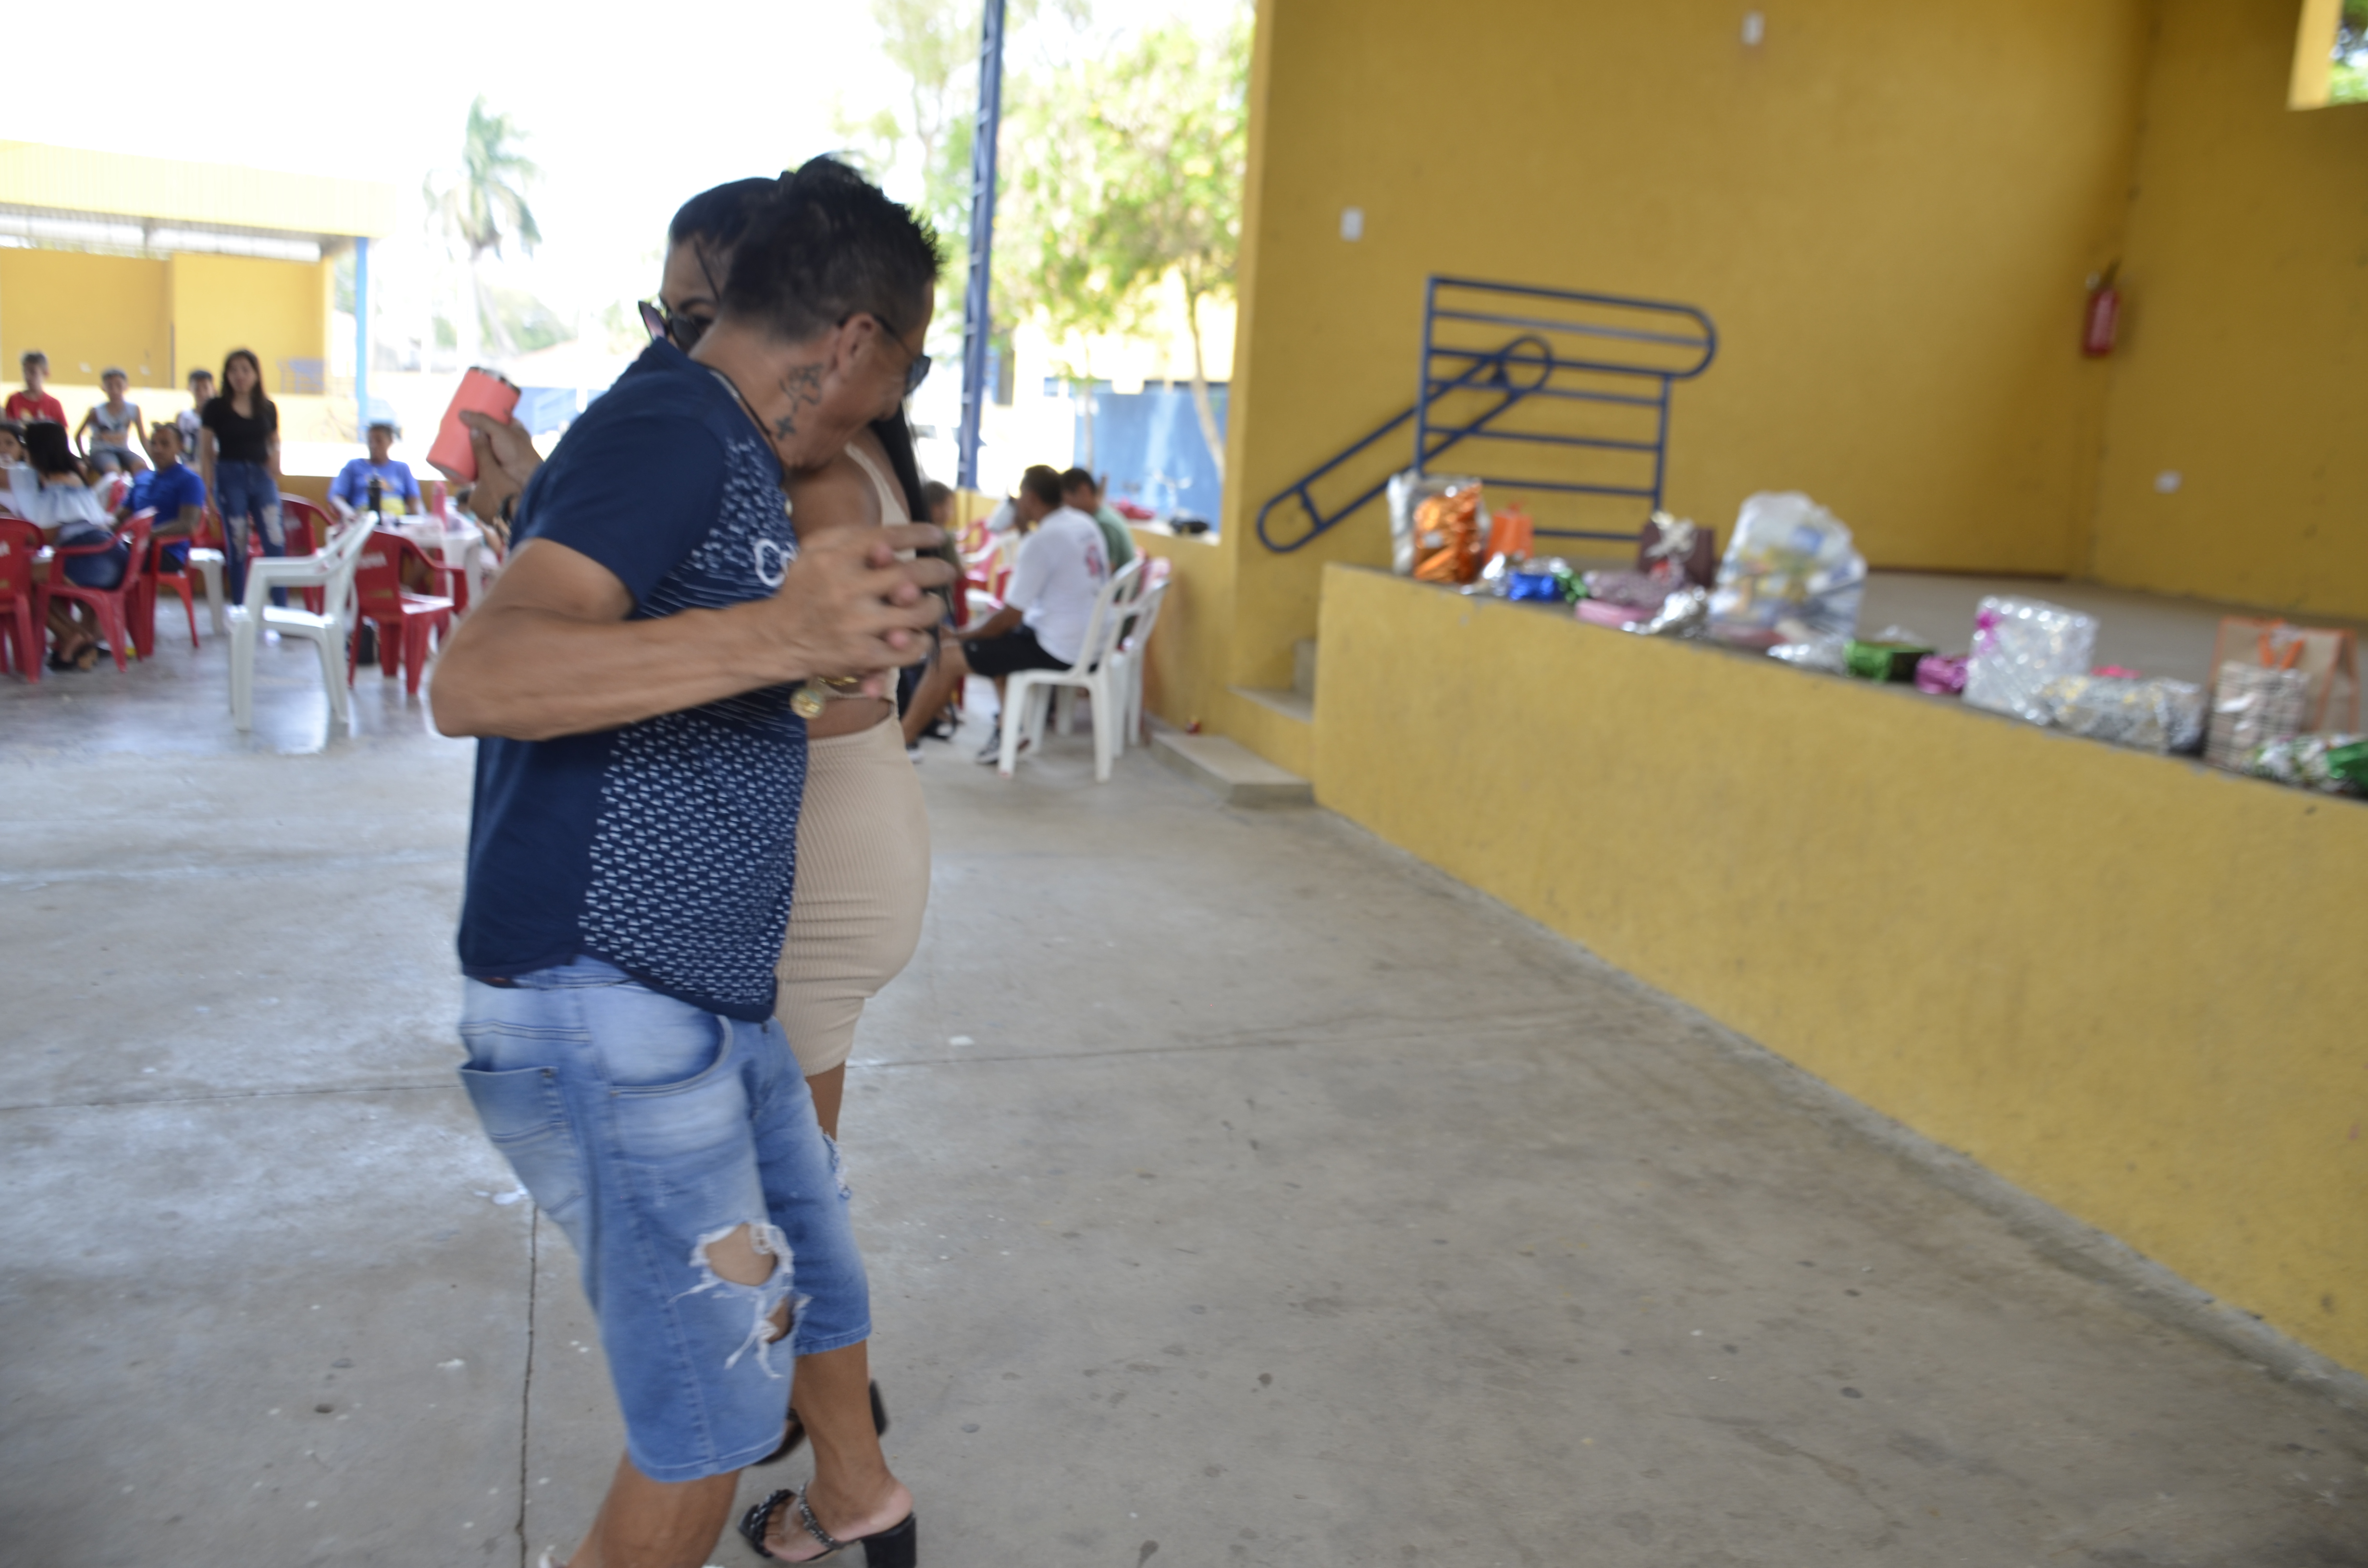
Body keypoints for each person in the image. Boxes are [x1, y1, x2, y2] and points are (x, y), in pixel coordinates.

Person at [430, 158, 948, 1568]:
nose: (879, 407)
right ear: (850, 341)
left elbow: (675, 671)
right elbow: (479, 673)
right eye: (891, 370)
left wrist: (816, 647)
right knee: (716, 1416)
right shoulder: (665, 426)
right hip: (602, 1001)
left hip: (703, 998)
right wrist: (781, 639)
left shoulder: (729, 452)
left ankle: (859, 1498)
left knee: (818, 1279)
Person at [961, 463, 1110, 760]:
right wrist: (1021, 530)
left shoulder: (1043, 540)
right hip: (1095, 644)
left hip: (1061, 650)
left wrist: (963, 634)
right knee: (999, 645)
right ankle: (1009, 728)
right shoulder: (1083, 523)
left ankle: (908, 738)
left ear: (1029, 498)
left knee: (962, 652)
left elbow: (1010, 617)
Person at [10, 421, 124, 669]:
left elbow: (42, 539)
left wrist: (10, 520)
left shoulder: (58, 484)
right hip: (110, 556)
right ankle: (78, 637)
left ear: (36, 450)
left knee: (19, 581)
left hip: (94, 560)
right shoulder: (74, 475)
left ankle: (71, 636)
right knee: (32, 579)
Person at [197, 349, 283, 609]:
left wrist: (277, 456)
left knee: (276, 542)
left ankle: (281, 610)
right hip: (229, 475)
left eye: (246, 370)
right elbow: (205, 450)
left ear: (256, 375)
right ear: (226, 376)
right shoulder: (215, 407)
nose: (240, 376)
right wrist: (208, 490)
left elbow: (274, 440)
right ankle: (240, 609)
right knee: (237, 544)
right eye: (233, 370)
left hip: (261, 477)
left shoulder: (268, 408)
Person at [124, 421, 209, 571]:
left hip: (165, 553)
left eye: (165, 444)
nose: (158, 449)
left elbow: (189, 525)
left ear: (180, 447)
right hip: (135, 547)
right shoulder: (142, 478)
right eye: (154, 444)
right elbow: (120, 517)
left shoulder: (190, 480)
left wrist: (146, 536)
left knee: (106, 559)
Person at [329, 416, 420, 519]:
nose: (373, 445)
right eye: (370, 440)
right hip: (363, 521)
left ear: (390, 441)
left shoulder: (402, 468)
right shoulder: (353, 466)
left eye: (379, 441)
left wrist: (420, 520)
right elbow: (336, 498)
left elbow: (414, 501)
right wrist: (350, 515)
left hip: (397, 522)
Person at [1059, 466, 1135, 571]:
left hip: (1117, 587)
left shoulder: (1102, 524)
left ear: (1084, 491)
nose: (1065, 507)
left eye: (1065, 500)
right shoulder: (1104, 514)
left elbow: (1107, 570)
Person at [75, 368, 148, 473]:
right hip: (101, 450)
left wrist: (154, 461)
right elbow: (78, 436)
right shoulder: (97, 412)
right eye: (110, 386)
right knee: (113, 470)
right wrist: (85, 458)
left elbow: (143, 438)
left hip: (123, 450)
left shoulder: (134, 409)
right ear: (104, 388)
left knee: (141, 466)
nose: (115, 391)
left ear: (126, 386)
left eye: (119, 385)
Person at [8, 352, 66, 427]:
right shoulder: (14, 400)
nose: (28, 377)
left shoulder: (54, 404)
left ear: (45, 373)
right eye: (25, 372)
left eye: (33, 372)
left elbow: (62, 433)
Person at [175, 369, 213, 453]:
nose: (202, 393)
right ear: (190, 389)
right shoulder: (183, 417)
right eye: (197, 388)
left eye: (205, 388)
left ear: (213, 389)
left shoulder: (220, 418)